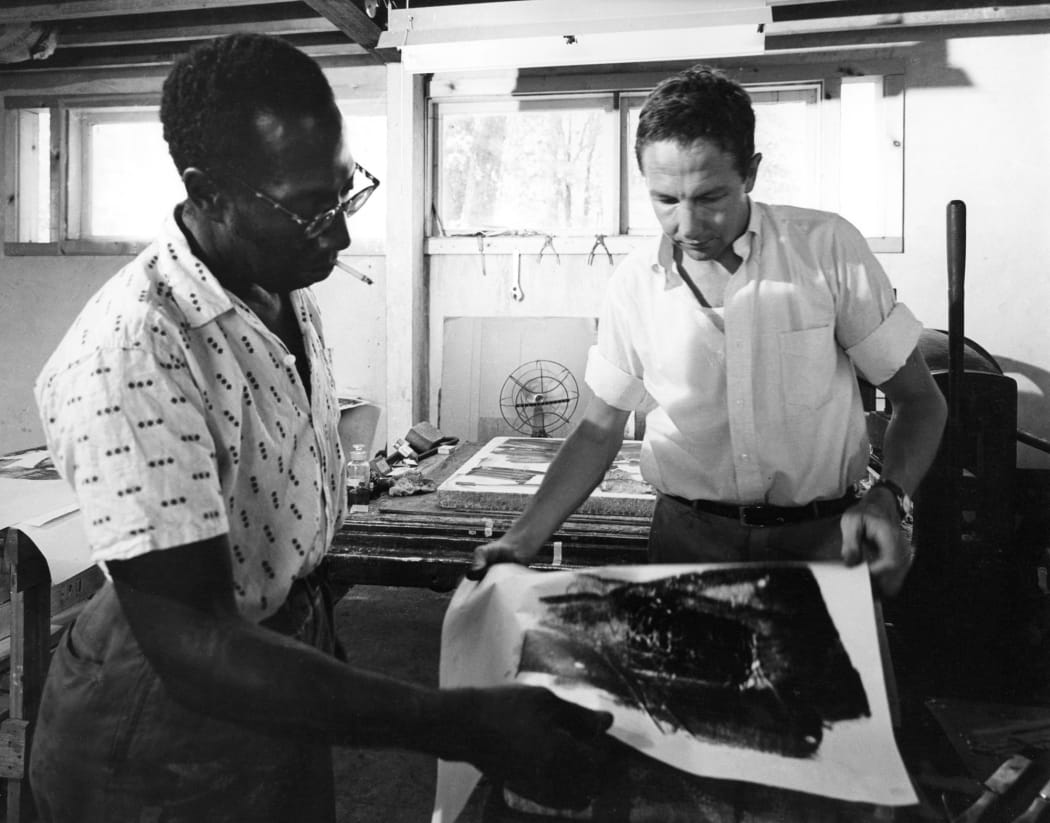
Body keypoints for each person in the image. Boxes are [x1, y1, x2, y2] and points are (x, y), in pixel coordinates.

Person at [29, 33, 611, 823]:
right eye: (309, 209)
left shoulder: (275, 280)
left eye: (345, 194)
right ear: (208, 192)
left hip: (279, 661)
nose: (338, 236)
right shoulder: (138, 347)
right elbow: (194, 646)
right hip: (160, 717)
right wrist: (462, 720)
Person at [472, 66, 947, 597]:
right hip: (685, 544)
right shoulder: (634, 285)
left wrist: (890, 496)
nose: (688, 226)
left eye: (710, 198)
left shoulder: (827, 249)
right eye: (666, 201)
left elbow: (921, 403)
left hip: (822, 544)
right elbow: (599, 430)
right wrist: (522, 538)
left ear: (752, 173)